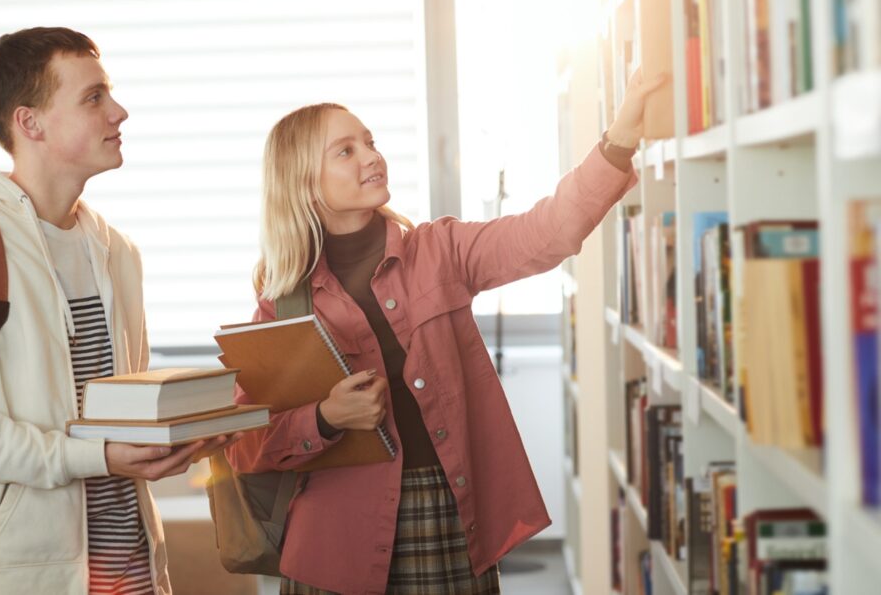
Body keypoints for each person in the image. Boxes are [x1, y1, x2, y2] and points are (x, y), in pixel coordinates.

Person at [225, 72, 666, 594]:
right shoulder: (281, 302)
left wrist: (619, 141)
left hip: (441, 512)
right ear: (303, 182)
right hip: (332, 541)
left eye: (369, 141)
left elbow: (550, 231)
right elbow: (246, 444)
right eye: (345, 151)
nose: (371, 156)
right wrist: (325, 418)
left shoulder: (439, 250)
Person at [0, 27, 234, 595]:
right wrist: (95, 456)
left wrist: (179, 436)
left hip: (133, 572)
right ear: (30, 123)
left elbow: (121, 414)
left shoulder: (115, 249)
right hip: (20, 576)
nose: (118, 112)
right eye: (94, 98)